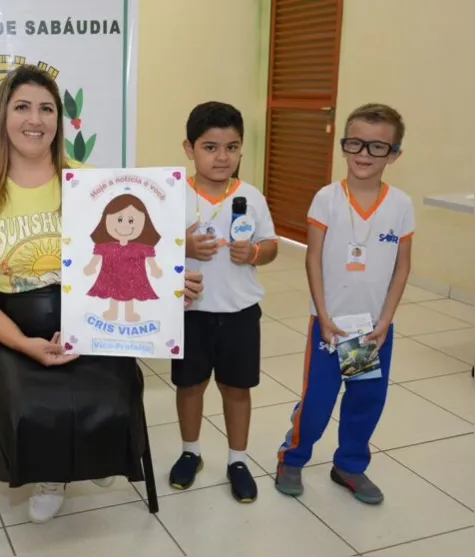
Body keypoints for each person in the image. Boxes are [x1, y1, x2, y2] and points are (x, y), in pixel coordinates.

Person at [0, 64, 204, 524]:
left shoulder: (90, 185)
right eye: (23, 106)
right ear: (3, 116)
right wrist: (24, 343)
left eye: (47, 109)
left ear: (58, 121)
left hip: (89, 317)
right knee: (29, 403)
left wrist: (168, 288)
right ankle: (54, 473)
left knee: (111, 391)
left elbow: (126, 254)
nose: (35, 119)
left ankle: (92, 455)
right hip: (13, 326)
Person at [275, 103, 413, 505]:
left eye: (377, 147)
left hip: (372, 328)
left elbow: (402, 268)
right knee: (318, 399)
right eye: (356, 143)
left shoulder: (400, 205)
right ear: (344, 146)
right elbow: (312, 257)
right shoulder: (327, 199)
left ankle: (349, 466)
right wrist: (323, 315)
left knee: (365, 399)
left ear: (395, 154)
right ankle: (293, 457)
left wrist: (385, 321)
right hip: (331, 326)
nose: (365, 154)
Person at [168, 101, 278, 503]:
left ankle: (237, 460)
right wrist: (183, 245)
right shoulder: (172, 194)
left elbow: (271, 246)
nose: (221, 157)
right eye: (210, 147)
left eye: (231, 147)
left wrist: (253, 254)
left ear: (241, 150)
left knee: (237, 388)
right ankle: (190, 452)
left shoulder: (251, 196)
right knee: (189, 385)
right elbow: (150, 249)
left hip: (240, 312)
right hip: (190, 312)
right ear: (189, 148)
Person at [84, 193, 164, 322]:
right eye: (119, 220)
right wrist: (91, 266)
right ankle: (113, 311)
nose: (125, 225)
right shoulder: (106, 246)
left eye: (131, 221)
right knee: (113, 291)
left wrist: (155, 268)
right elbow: (97, 255)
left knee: (130, 293)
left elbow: (149, 257)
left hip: (133, 275)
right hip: (111, 274)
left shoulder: (140, 247)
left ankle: (129, 313)